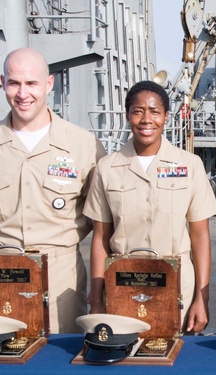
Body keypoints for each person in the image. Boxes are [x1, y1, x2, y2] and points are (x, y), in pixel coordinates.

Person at [84, 80, 216, 333]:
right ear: (128, 115)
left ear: (166, 116)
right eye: (138, 111)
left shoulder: (189, 165)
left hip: (177, 283)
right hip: (122, 283)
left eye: (155, 111)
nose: (147, 119)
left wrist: (203, 298)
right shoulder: (107, 168)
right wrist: (96, 298)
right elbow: (101, 238)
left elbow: (200, 235)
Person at [0, 48, 106, 333]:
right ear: (2, 83)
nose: (23, 94)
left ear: (48, 84)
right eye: (14, 83)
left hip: (61, 278)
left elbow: (104, 225)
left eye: (31, 83)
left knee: (60, 359)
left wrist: (100, 293)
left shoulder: (83, 146)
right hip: (3, 272)